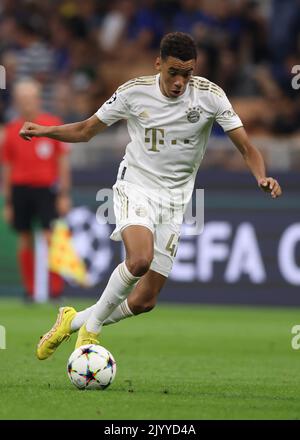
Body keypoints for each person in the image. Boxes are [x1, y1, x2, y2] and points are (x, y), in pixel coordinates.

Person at [18, 32, 282, 359]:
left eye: (187, 74)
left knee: (145, 301)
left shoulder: (210, 97)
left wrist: (262, 176)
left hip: (176, 201)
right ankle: (91, 332)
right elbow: (86, 131)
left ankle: (72, 321)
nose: (179, 82)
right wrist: (45, 130)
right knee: (139, 260)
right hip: (137, 184)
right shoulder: (133, 93)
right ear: (159, 64)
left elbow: (247, 147)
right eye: (173, 72)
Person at [2, 79, 71, 301]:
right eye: (22, 99)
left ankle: (55, 288)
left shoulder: (51, 125)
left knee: (51, 237)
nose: (26, 103)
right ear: (17, 102)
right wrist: (9, 202)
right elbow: (7, 168)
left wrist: (63, 194)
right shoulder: (11, 130)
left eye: (30, 98)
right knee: (25, 238)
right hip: (20, 188)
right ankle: (30, 289)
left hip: (45, 189)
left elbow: (62, 162)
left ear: (38, 99)